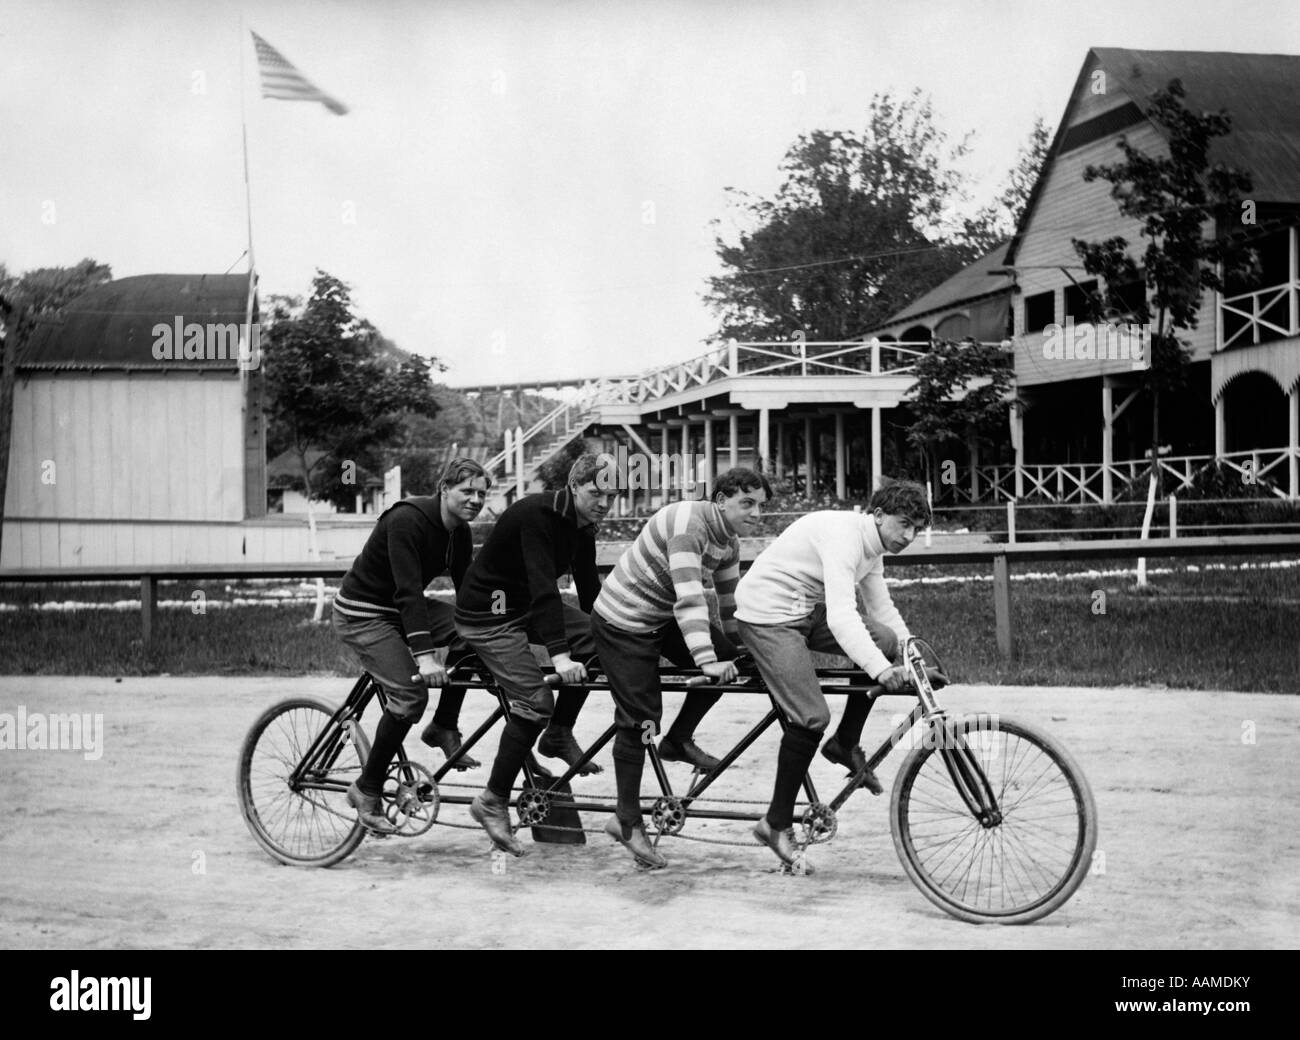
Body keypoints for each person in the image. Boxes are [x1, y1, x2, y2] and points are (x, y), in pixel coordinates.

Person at [734, 478, 931, 868]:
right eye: (903, 523)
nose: (908, 535)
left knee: (885, 638)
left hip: (805, 611)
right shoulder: (845, 538)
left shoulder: (873, 547)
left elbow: (881, 610)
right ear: (877, 515)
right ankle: (774, 823)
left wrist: (912, 655)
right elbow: (842, 616)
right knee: (811, 717)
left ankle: (844, 743)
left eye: (917, 529)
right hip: (768, 616)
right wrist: (879, 670)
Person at [593, 467, 772, 868]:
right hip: (622, 621)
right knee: (640, 718)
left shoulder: (728, 539)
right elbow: (690, 599)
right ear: (720, 499)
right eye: (747, 502)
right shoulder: (688, 524)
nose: (756, 511)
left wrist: (746, 652)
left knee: (731, 658)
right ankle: (625, 820)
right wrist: (707, 661)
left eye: (760, 504)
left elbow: (728, 605)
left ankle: (677, 741)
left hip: (660, 617)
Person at [456, 453, 614, 856]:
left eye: (611, 496)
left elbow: (587, 589)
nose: (603, 503)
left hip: (526, 605)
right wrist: (560, 657)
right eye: (595, 493)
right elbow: (545, 588)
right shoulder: (538, 516)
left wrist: (613, 629)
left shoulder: (583, 526)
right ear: (574, 486)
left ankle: (558, 733)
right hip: (488, 614)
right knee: (534, 700)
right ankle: (491, 801)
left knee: (598, 642)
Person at [332, 458, 491, 834]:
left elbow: (467, 591)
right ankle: (366, 789)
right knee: (409, 695)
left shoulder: (460, 533)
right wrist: (424, 657)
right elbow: (407, 591)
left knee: (473, 636)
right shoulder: (408, 520)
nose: (474, 500)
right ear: (444, 489)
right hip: (363, 612)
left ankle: (443, 727)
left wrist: (495, 623)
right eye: (466, 491)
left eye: (481, 493)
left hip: (400, 608)